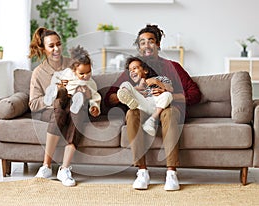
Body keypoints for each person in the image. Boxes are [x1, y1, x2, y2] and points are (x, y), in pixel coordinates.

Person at [105, 24, 201, 191]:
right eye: (142, 42)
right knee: (132, 113)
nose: (147, 45)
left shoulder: (173, 67)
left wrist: (167, 91)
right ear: (139, 47)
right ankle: (142, 172)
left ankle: (171, 173)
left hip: (167, 109)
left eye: (151, 41)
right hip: (144, 109)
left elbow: (195, 94)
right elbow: (110, 98)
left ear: (158, 45)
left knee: (169, 112)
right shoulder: (134, 69)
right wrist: (132, 91)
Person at [28, 27, 98, 187]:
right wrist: (54, 96)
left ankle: (64, 169)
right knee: (60, 104)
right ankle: (46, 166)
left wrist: (86, 92)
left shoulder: (73, 64)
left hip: (75, 107)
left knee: (77, 107)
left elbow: (88, 81)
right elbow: (33, 104)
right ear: (43, 49)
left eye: (58, 44)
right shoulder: (38, 73)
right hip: (52, 110)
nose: (56, 49)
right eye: (51, 46)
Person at [117, 56, 173, 136]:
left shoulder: (160, 78)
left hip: (157, 104)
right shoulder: (136, 85)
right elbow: (142, 96)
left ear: (145, 70)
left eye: (135, 68)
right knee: (125, 84)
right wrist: (139, 88)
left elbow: (171, 88)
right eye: (130, 70)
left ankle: (151, 120)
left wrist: (156, 82)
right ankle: (129, 100)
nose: (132, 72)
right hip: (143, 106)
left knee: (168, 95)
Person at [44, 45, 101, 116]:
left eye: (88, 72)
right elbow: (56, 75)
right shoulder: (68, 73)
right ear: (74, 70)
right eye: (82, 73)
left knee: (80, 95)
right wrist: (58, 83)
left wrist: (94, 106)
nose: (86, 76)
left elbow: (95, 96)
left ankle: (76, 104)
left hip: (74, 98)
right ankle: (52, 92)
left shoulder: (90, 82)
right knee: (61, 90)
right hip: (64, 96)